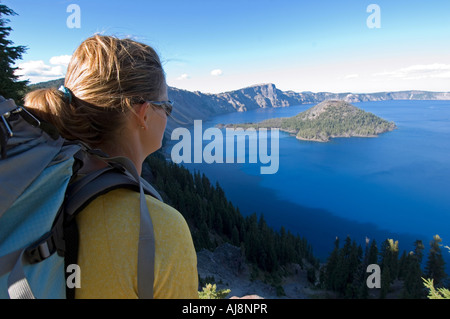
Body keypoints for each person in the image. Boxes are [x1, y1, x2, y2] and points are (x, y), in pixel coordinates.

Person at [24, 35, 198, 299]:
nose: (168, 115)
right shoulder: (160, 229)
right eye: (167, 106)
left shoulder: (35, 187)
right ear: (143, 114)